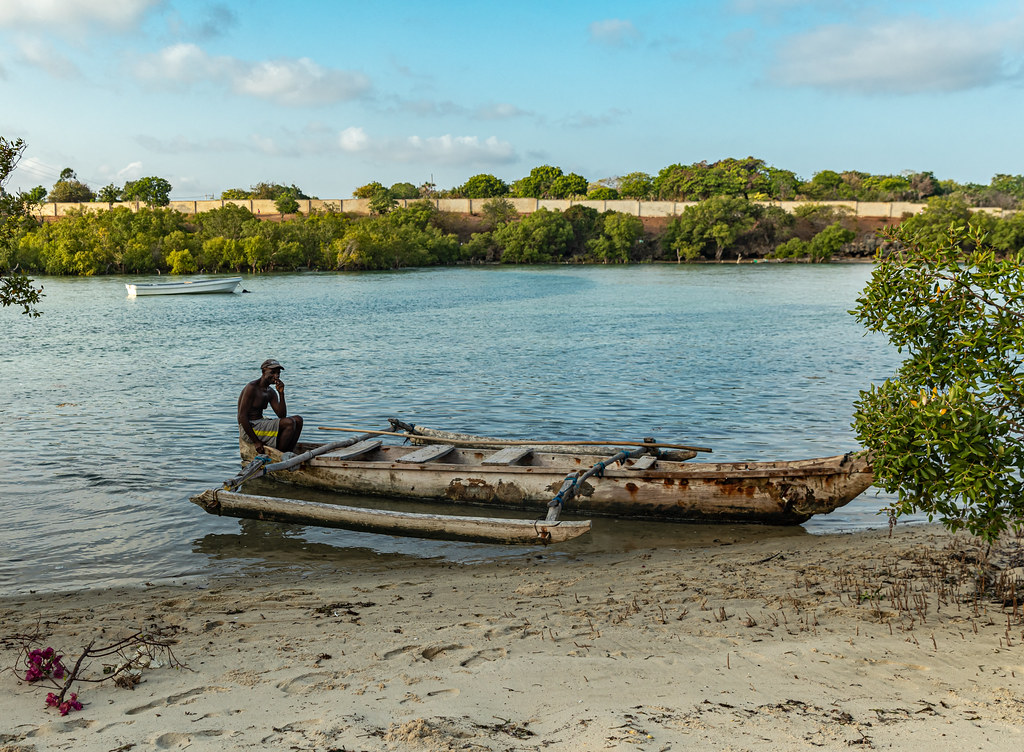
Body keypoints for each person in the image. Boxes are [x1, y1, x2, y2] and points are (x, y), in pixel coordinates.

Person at [238, 359, 303, 454]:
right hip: (249, 429)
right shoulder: (252, 387)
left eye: (278, 373)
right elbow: (241, 417)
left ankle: (289, 452)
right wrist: (256, 442)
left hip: (260, 424)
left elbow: (282, 415)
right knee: (289, 423)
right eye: (272, 372)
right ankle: (279, 455)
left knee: (298, 420)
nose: (276, 376)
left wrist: (281, 393)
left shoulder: (270, 392)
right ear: (263, 372)